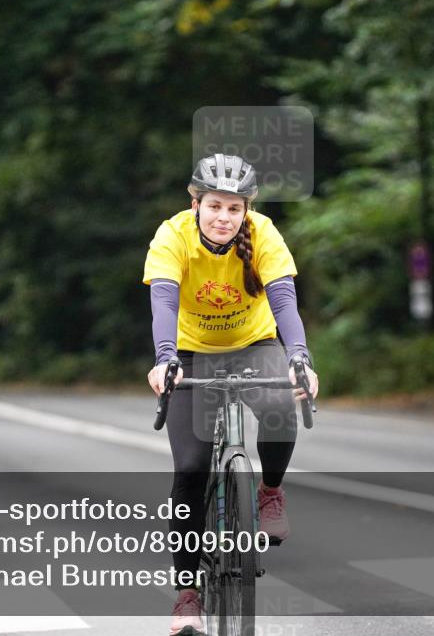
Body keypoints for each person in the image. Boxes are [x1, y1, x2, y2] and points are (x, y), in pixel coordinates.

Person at [143, 154, 319, 636]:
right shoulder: (172, 236)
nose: (224, 217)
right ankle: (187, 595)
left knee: (281, 405)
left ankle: (269, 493)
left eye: (234, 209)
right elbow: (164, 300)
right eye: (215, 206)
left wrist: (299, 357)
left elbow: (284, 300)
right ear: (195, 204)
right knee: (190, 468)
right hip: (190, 353)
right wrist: (165, 358)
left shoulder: (264, 235)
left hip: (253, 345)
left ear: (246, 211)